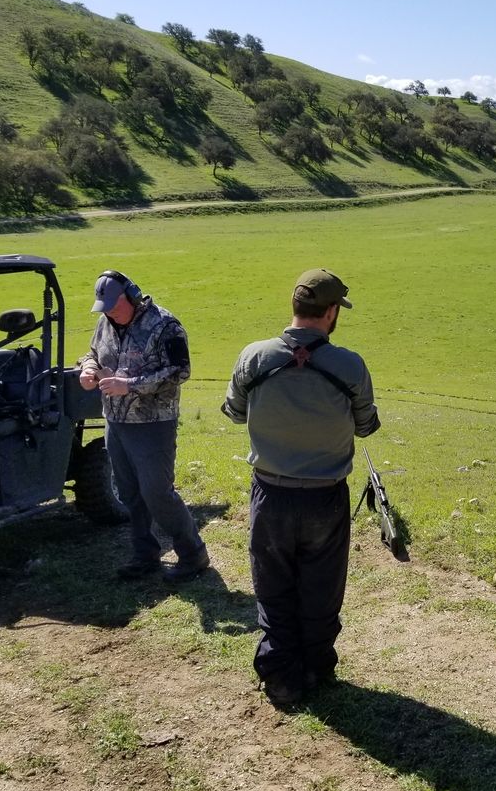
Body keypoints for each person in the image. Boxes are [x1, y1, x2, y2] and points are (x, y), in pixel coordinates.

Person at [222, 269, 380, 707]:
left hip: (270, 494)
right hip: (326, 497)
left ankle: (280, 677)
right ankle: (317, 667)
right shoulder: (349, 365)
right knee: (322, 587)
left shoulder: (253, 357)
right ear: (330, 313)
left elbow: (234, 412)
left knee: (273, 588)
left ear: (295, 308)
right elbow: (367, 426)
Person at [78, 270, 209, 584]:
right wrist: (88, 367)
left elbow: (180, 371)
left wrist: (131, 385)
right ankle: (144, 555)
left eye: (114, 305)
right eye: (105, 307)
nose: (110, 312)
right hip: (116, 421)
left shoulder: (165, 325)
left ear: (132, 296)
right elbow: (93, 352)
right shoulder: (105, 323)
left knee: (157, 493)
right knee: (129, 493)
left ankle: (193, 554)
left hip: (153, 423)